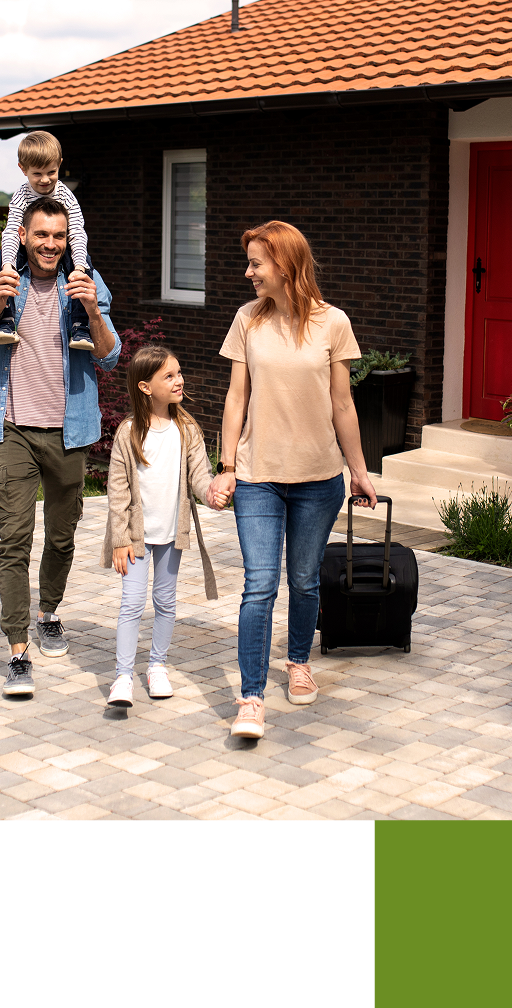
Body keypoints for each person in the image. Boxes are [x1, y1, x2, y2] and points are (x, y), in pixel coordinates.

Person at [207, 220, 377, 741]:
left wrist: (360, 470)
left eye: (257, 263)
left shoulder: (333, 323)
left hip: (317, 477)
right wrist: (228, 466)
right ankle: (252, 696)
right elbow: (236, 397)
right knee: (259, 585)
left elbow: (342, 404)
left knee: (303, 581)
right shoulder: (246, 320)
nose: (249, 271)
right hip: (258, 475)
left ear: (285, 265)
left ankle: (298, 659)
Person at [0, 195, 121, 697]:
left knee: (61, 536)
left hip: (68, 431)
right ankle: (16, 651)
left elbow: (111, 355)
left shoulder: (84, 284)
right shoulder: (2, 278)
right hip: (13, 428)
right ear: (24, 237)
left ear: (67, 239)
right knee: (13, 541)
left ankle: (48, 612)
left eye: (58, 236)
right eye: (41, 235)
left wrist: (93, 310)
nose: (50, 244)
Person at [99, 344, 224, 708]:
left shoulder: (187, 429)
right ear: (145, 387)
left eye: (179, 373)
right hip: (135, 539)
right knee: (132, 603)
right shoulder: (129, 432)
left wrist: (211, 494)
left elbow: (200, 475)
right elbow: (117, 489)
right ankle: (123, 676)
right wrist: (120, 539)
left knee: (165, 602)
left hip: (171, 534)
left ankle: (157, 666)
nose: (179, 380)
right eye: (169, 376)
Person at [0, 130, 95, 351]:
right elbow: (10, 232)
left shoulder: (66, 195)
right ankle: (5, 321)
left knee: (85, 271)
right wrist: (8, 265)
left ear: (60, 164)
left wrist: (79, 266)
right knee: (1, 262)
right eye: (37, 173)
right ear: (23, 169)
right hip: (24, 249)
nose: (45, 180)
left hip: (63, 249)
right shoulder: (21, 196)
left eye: (52, 172)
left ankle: (80, 325)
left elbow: (76, 231)